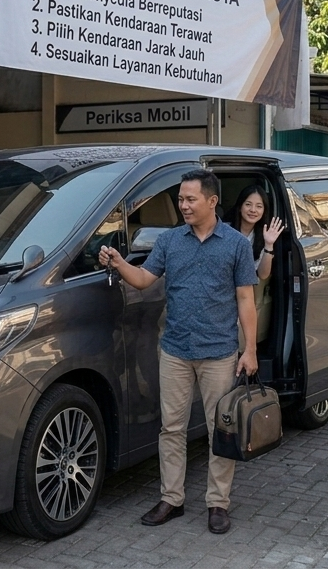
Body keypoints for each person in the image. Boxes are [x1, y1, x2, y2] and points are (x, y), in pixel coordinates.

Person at [99, 169, 259, 535]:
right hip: (174, 350)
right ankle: (172, 498)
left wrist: (248, 350)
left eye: (190, 199)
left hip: (219, 352)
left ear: (212, 201)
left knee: (222, 430)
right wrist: (119, 262)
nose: (182, 205)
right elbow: (143, 280)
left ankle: (218, 504)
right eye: (180, 199)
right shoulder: (171, 241)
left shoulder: (235, 244)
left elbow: (246, 300)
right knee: (171, 429)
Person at [227, 185, 287, 344]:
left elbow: (263, 274)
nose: (253, 210)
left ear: (264, 211)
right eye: (248, 204)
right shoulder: (225, 231)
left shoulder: (262, 236)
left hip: (246, 296)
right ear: (240, 207)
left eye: (259, 206)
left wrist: (269, 245)